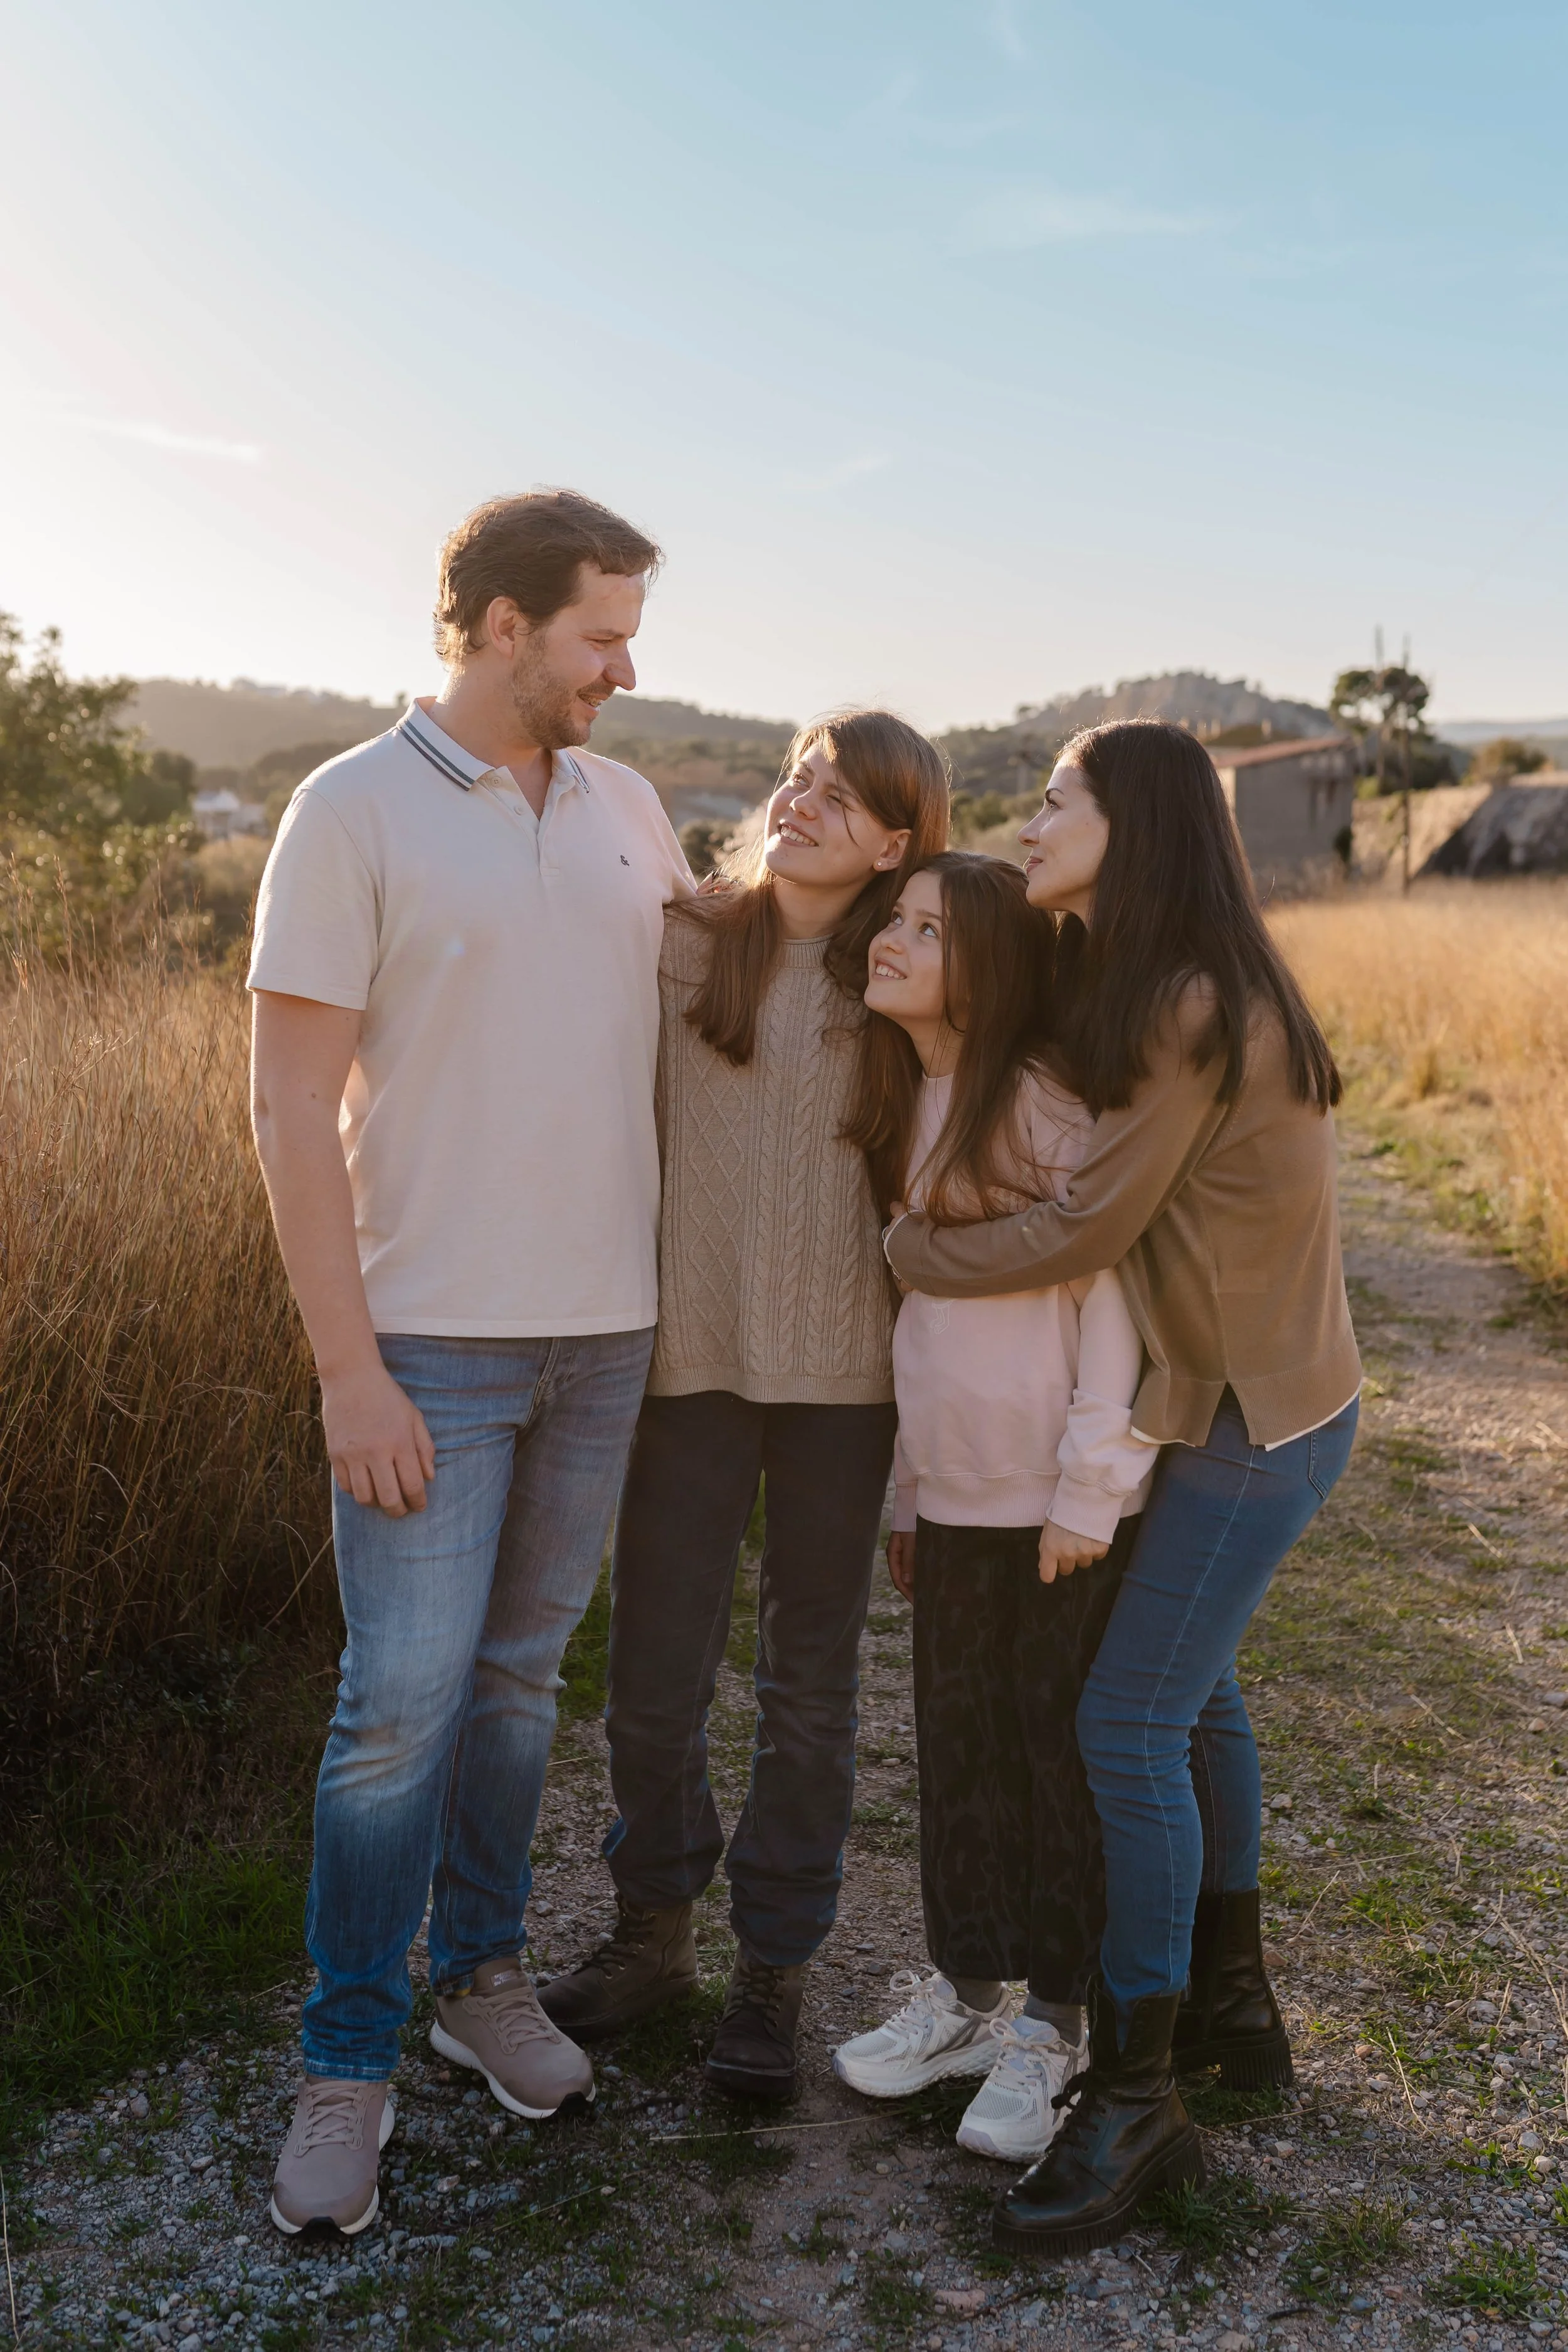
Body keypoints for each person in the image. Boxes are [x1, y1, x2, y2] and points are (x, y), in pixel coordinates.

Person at [249, 490, 691, 2238]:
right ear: (499, 624)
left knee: (517, 1686)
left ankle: (479, 1979)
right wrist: (346, 1366)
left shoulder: (628, 802)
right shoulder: (347, 809)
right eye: (601, 632)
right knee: (393, 1714)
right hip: (426, 1338)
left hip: (607, 1335)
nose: (626, 667)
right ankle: (344, 2061)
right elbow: (286, 1103)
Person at [885, 721, 1361, 2255]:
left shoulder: (1181, 1004)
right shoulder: (1149, 979)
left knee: (1125, 1722)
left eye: (1053, 802)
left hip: (1243, 1421)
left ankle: (1135, 2092)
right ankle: (1233, 2018)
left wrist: (910, 1254)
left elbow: (1082, 1232)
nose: (1028, 826)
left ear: (1132, 821)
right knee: (1198, 1697)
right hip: (1247, 1398)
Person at [538, 711, 950, 2099]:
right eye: (799, 776)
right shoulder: (685, 945)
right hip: (687, 1371)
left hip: (847, 1389)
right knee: (651, 1689)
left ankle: (773, 1973)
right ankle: (651, 1934)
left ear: (897, 841)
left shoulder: (905, 978)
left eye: (844, 795)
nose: (805, 799)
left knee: (807, 1689)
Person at [829, 853, 1157, 2164]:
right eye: (892, 920)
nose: (893, 941)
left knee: (1047, 1762)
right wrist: (911, 1488)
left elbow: (1110, 1293)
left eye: (927, 929)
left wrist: (1089, 1485)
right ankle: (964, 2000)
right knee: (954, 1750)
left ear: (997, 968)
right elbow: (923, 1334)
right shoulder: (908, 1094)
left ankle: (1055, 2027)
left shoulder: (1030, 1101)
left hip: (1053, 1513)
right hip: (955, 1500)